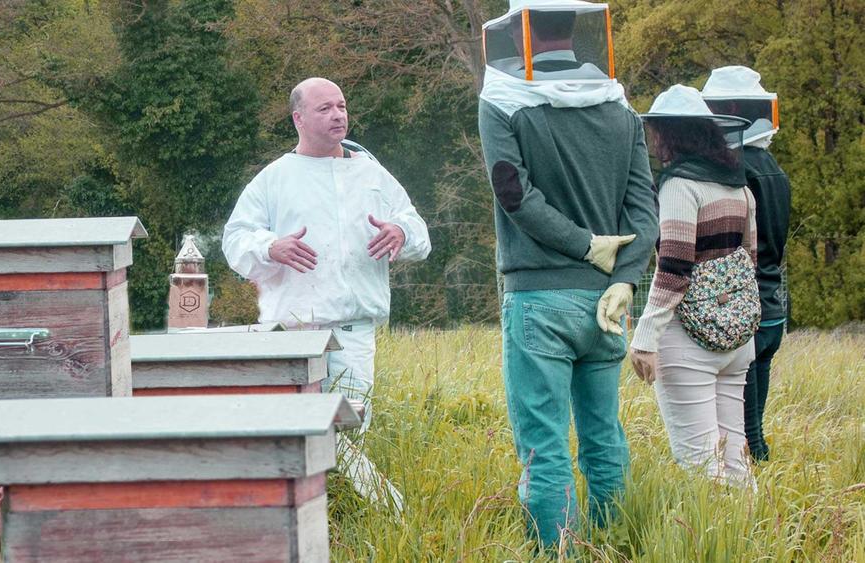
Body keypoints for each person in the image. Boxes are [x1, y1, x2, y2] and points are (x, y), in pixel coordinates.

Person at [479, 0, 659, 548]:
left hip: (539, 297)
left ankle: (555, 554)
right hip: (609, 303)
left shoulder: (503, 103)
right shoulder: (618, 106)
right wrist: (625, 276)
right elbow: (645, 210)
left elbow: (514, 197)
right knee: (605, 436)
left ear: (516, 30)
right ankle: (613, 549)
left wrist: (584, 246)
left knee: (544, 445)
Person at [222, 77, 431, 510]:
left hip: (354, 331)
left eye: (341, 106)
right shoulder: (274, 179)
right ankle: (386, 512)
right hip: (292, 334)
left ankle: (347, 517)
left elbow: (419, 235)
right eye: (325, 108)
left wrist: (401, 231)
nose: (338, 115)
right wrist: (270, 246)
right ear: (298, 118)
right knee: (307, 436)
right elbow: (234, 239)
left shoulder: (372, 173)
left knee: (350, 433)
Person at [629, 84, 758, 490]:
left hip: (688, 343)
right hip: (737, 340)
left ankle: (719, 548)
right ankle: (754, 543)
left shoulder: (680, 186)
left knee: (701, 466)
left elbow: (674, 267)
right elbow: (748, 261)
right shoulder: (740, 188)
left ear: (672, 135)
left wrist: (644, 336)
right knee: (736, 458)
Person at [702, 66, 791, 462]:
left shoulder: (740, 170)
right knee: (752, 426)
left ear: (730, 110)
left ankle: (752, 510)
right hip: (772, 308)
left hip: (745, 310)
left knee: (746, 438)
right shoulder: (774, 169)